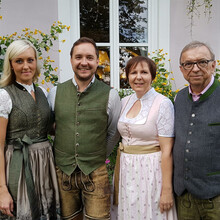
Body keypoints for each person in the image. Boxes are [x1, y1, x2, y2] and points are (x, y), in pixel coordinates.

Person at [47, 37, 121, 220]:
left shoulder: (110, 95)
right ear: (71, 60)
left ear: (97, 61)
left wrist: (98, 155)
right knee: (69, 217)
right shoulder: (55, 93)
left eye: (89, 57)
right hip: (63, 171)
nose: (84, 62)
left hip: (96, 172)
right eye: (78, 57)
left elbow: (113, 132)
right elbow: (51, 127)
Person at [0, 40, 60, 219]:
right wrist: (2, 189)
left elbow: (49, 129)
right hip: (19, 164)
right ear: (11, 64)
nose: (26, 66)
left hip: (45, 164)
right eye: (19, 61)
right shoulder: (4, 95)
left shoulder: (42, 91)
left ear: (36, 62)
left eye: (30, 60)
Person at [114, 56, 178, 219]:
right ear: (127, 76)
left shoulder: (163, 104)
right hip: (127, 170)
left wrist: (166, 190)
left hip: (151, 171)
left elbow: (166, 151)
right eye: (133, 72)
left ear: (153, 76)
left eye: (144, 72)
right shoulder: (124, 101)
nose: (138, 77)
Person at [173, 41, 220, 219]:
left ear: (213, 65)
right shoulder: (179, 98)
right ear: (181, 69)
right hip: (184, 196)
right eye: (188, 64)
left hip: (216, 197)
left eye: (202, 62)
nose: (195, 68)